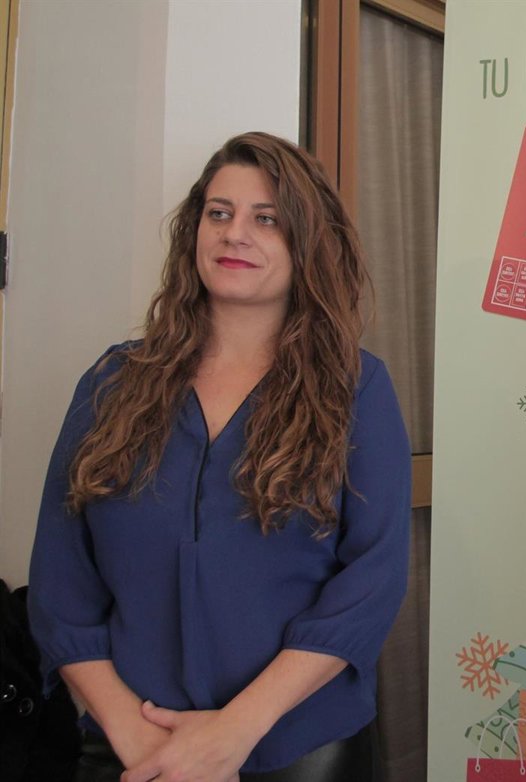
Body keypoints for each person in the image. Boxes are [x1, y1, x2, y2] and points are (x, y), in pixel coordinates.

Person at [28, 132, 411, 781]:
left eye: (266, 219)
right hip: (131, 746)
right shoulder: (112, 384)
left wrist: (233, 731)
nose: (235, 234)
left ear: (305, 242)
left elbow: (371, 581)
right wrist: (134, 735)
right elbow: (61, 583)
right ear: (194, 230)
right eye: (220, 213)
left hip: (299, 748)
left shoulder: (355, 389)